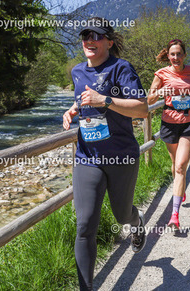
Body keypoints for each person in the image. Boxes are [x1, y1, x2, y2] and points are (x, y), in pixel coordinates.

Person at [62, 18, 149, 291]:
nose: (89, 40)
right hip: (87, 157)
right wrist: (73, 110)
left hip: (121, 156)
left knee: (122, 216)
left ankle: (136, 222)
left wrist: (105, 100)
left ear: (109, 42)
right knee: (85, 224)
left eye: (96, 36)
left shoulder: (121, 68)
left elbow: (142, 109)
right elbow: (83, 99)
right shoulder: (77, 71)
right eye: (85, 35)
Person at [148, 39, 190, 230]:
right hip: (170, 123)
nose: (176, 57)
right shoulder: (161, 74)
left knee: (180, 166)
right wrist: (161, 91)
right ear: (168, 56)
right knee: (175, 165)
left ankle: (174, 215)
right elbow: (149, 99)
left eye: (179, 54)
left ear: (184, 55)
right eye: (172, 54)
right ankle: (180, 188)